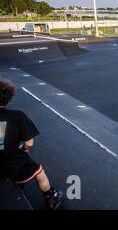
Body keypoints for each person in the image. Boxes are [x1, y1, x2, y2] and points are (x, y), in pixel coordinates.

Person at [0, 80, 63, 210]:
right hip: (12, 163)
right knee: (39, 172)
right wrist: (24, 148)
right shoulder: (17, 116)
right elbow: (29, 142)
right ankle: (51, 197)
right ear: (9, 97)